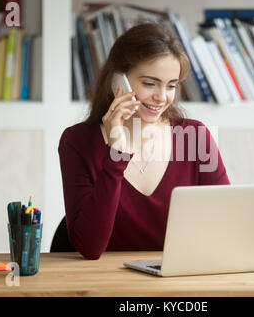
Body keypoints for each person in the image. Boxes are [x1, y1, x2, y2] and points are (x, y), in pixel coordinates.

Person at [58, 23, 230, 260]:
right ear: (118, 80)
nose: (161, 97)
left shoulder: (196, 137)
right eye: (149, 83)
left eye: (171, 85)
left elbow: (226, 226)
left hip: (177, 280)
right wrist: (116, 152)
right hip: (105, 283)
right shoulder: (77, 141)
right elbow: (90, 247)